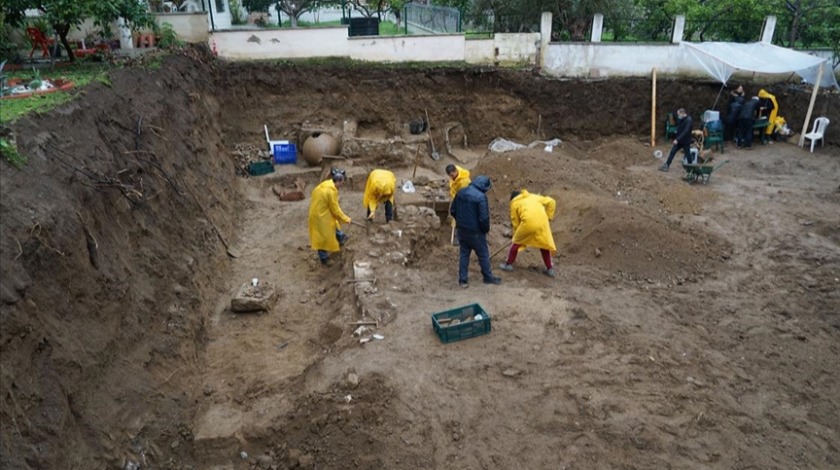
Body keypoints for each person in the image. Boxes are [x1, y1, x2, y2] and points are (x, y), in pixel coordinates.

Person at [450, 175, 501, 288]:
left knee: (464, 254)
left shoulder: (461, 192)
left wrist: (460, 221)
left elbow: (453, 210)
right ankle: (487, 277)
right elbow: (484, 218)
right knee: (483, 254)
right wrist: (485, 229)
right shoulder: (481, 197)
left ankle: (463, 280)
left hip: (462, 230)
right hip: (475, 232)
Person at [498, 190, 558, 278]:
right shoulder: (533, 196)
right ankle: (550, 269)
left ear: (512, 199)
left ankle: (508, 264)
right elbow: (552, 202)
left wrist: (516, 234)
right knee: (544, 245)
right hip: (542, 223)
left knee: (516, 242)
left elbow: (515, 222)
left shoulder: (514, 203)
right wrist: (548, 217)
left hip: (528, 223)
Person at [308, 168, 351, 266]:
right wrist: (346, 219)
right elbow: (335, 209)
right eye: (342, 183)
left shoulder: (325, 185)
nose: (342, 185)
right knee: (322, 237)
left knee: (333, 225)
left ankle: (341, 237)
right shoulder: (330, 191)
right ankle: (324, 259)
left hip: (319, 212)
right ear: (338, 181)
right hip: (319, 216)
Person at [446, 164, 471, 246]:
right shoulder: (455, 175)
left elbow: (463, 194)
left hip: (464, 200)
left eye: (452, 175)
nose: (451, 177)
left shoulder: (464, 181)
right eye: (450, 176)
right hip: (457, 198)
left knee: (461, 218)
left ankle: (460, 237)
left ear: (455, 171)